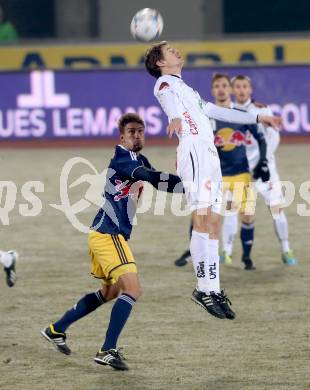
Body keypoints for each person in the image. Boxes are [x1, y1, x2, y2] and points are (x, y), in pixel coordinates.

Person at [145, 42, 281, 319]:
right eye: (170, 50)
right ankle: (202, 288)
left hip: (209, 155)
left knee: (214, 222)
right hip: (193, 152)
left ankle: (213, 289)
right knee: (202, 218)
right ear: (160, 63)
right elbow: (168, 101)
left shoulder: (188, 90)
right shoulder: (164, 84)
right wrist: (174, 118)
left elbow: (222, 112)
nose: (176, 51)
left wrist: (257, 117)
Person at [41, 113, 183, 371]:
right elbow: (150, 177)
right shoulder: (123, 158)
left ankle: (56, 329)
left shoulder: (139, 159)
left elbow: (160, 182)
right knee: (133, 289)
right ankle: (107, 349)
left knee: (110, 292)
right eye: (131, 131)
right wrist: (192, 183)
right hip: (109, 234)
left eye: (140, 131)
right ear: (122, 136)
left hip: (102, 233)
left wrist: (189, 188)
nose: (137, 135)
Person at [222, 74, 297, 265]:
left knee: (276, 209)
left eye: (244, 86)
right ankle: (226, 251)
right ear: (232, 90)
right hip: (239, 171)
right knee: (233, 210)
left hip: (264, 170)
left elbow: (273, 136)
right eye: (237, 86)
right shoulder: (226, 112)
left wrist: (264, 161)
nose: (240, 90)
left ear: (250, 89)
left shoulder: (261, 110)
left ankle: (286, 250)